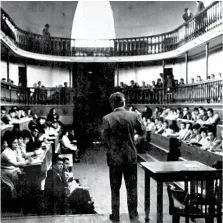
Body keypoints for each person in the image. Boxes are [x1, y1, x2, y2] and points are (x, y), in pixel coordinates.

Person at [101, 92, 145, 222]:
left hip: (114, 159)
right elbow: (142, 131)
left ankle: (115, 216)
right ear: (124, 102)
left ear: (112, 104)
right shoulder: (134, 115)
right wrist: (135, 137)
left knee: (115, 188)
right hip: (130, 157)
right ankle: (133, 215)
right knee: (132, 188)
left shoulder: (106, 118)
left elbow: (103, 139)